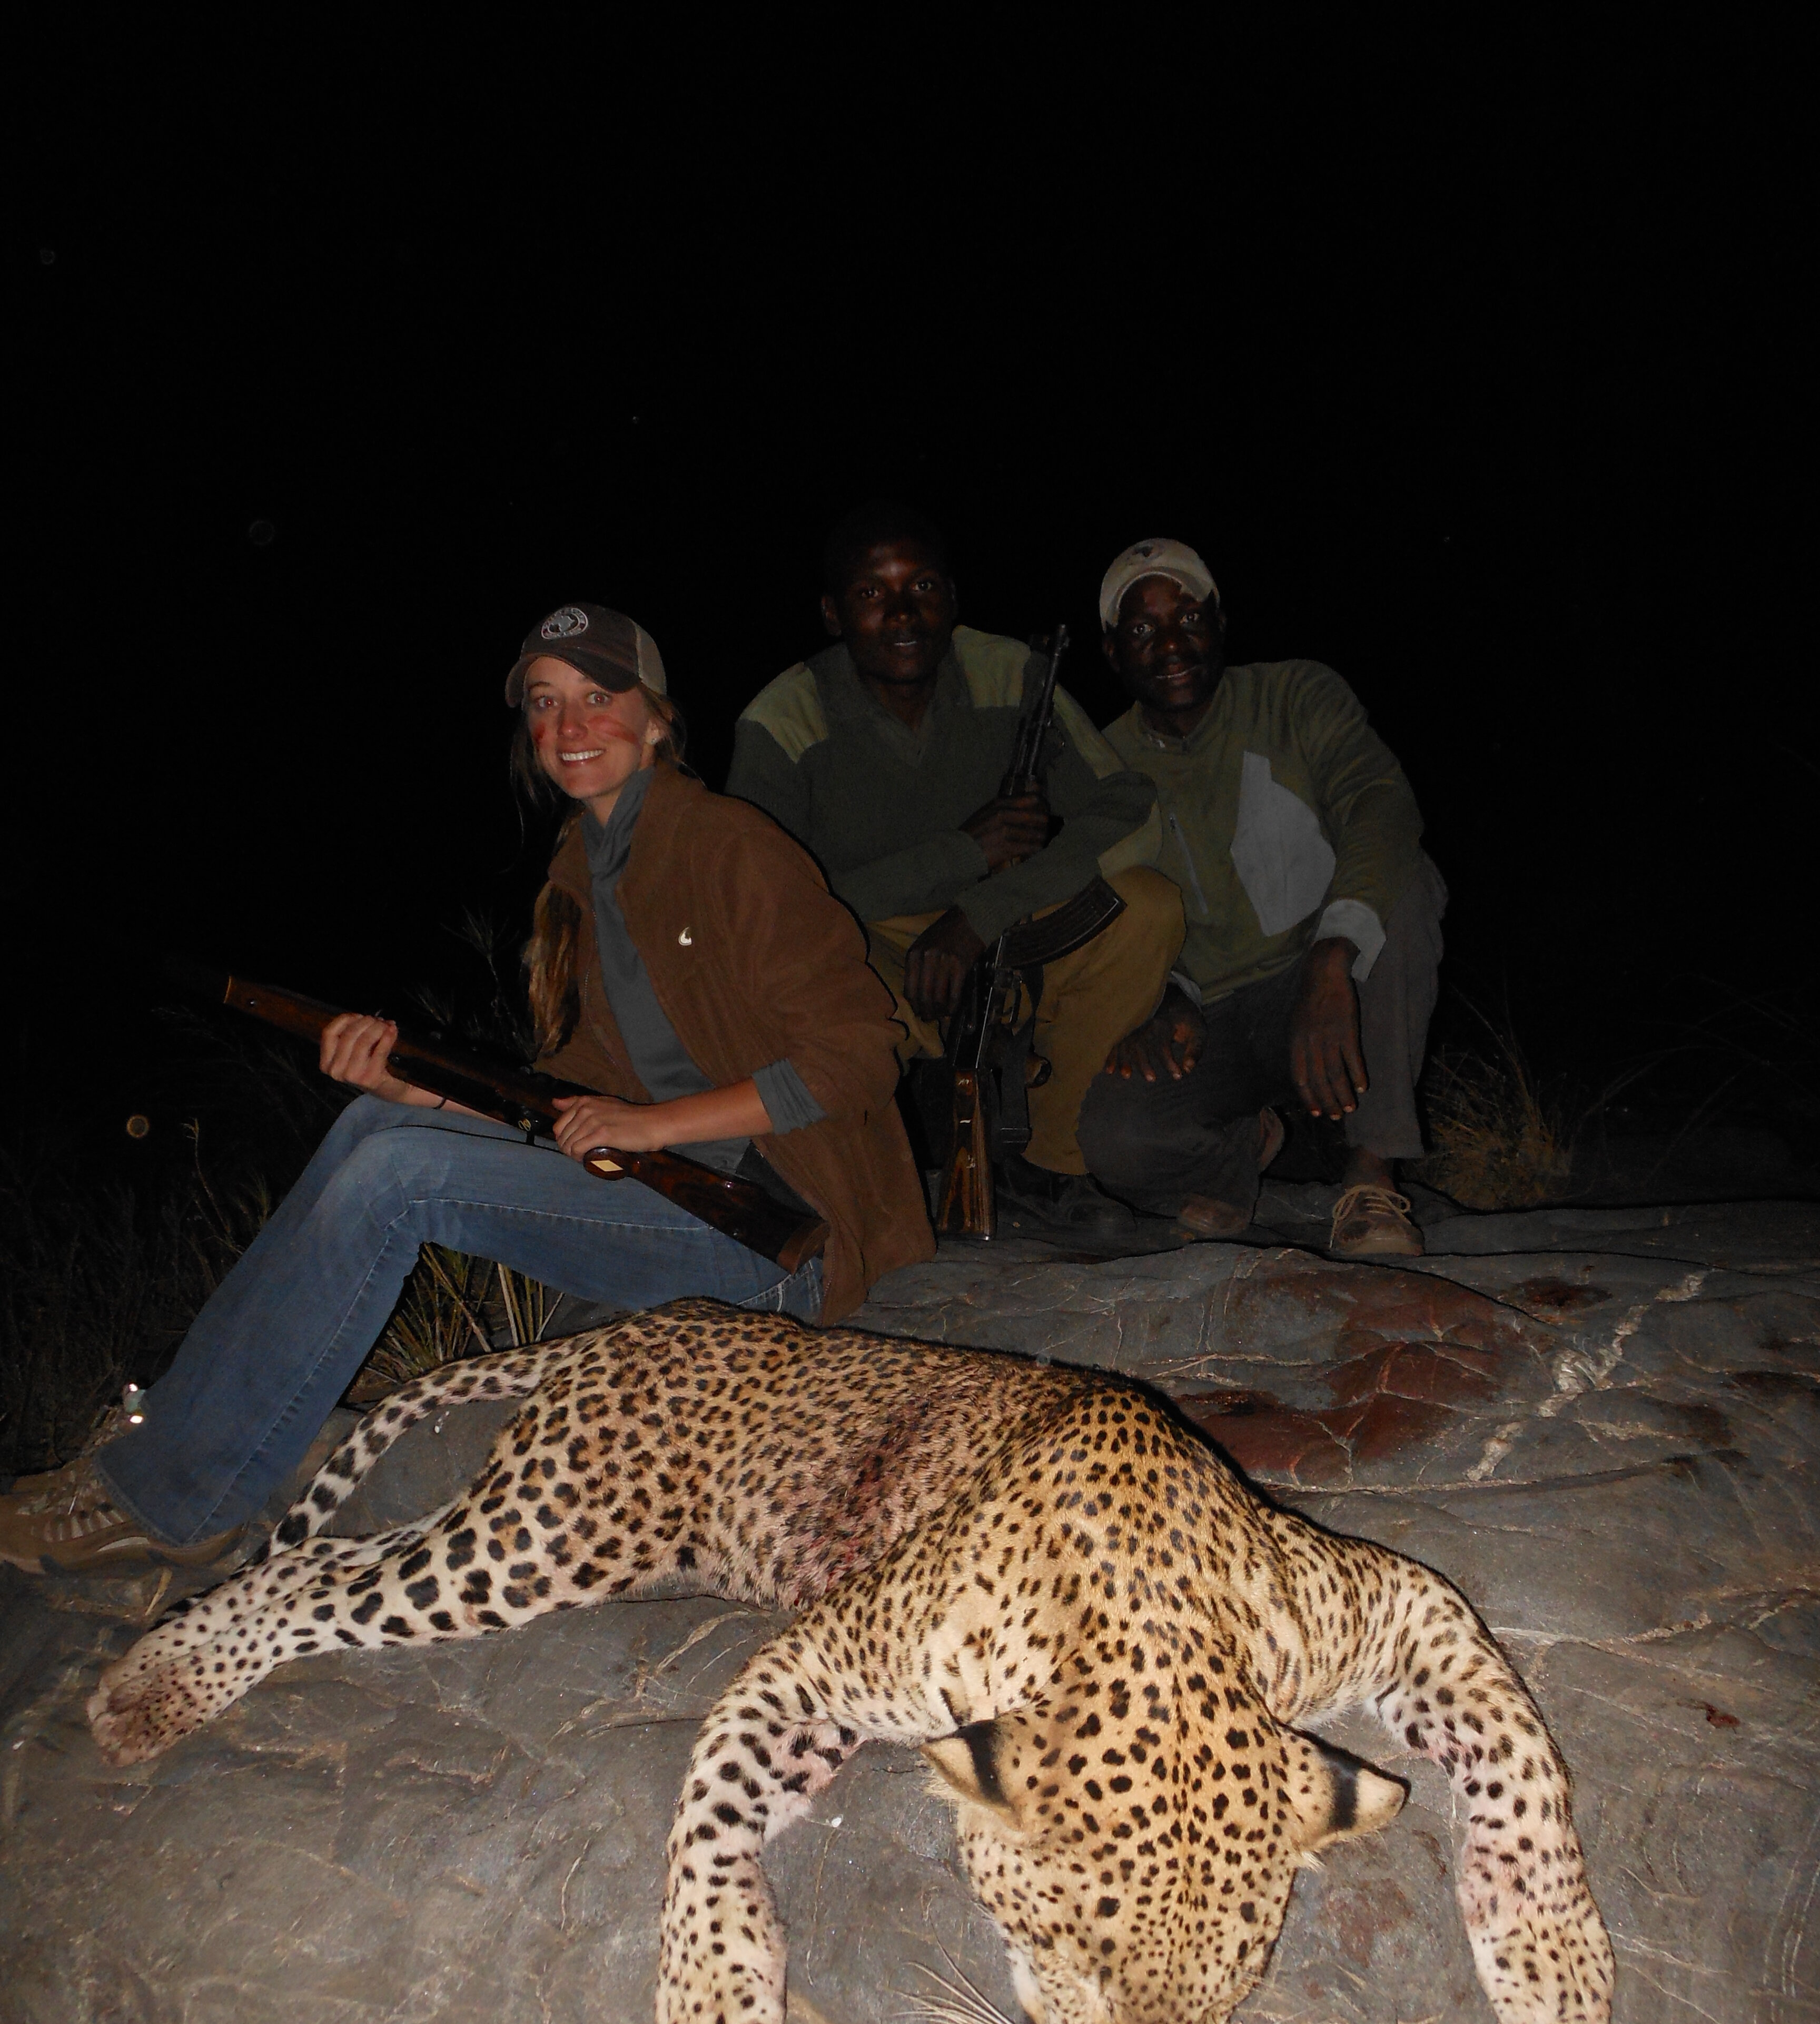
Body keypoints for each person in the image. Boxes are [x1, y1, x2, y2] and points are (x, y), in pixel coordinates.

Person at [1, 602, 931, 1578]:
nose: (570, 729)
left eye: (598, 699)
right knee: (376, 1124)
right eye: (545, 704)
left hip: (779, 1234)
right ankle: (165, 1444)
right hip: (670, 1184)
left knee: (397, 1179)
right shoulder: (581, 875)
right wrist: (426, 1093)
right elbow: (578, 1094)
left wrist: (648, 1123)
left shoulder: (731, 845)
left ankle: (179, 1499)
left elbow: (860, 1054)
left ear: (657, 719)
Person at [725, 503, 1183, 1237]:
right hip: (866, 943)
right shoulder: (786, 719)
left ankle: (1052, 1167)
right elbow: (756, 907)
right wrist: (961, 855)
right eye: (873, 595)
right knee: (805, 993)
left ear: (953, 600)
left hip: (1000, 928)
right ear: (834, 614)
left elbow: (1129, 811)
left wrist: (981, 913)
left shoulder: (1014, 674)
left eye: (924, 587)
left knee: (1147, 905)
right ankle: (845, 1186)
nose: (904, 614)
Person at [1079, 539, 1446, 1257]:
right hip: (1210, 1015)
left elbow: (1380, 802)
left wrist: (1332, 956)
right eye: (1143, 630)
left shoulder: (1296, 693)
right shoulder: (1099, 763)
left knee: (1406, 884)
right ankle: (1236, 1156)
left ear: (1219, 621)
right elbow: (1114, 906)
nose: (1172, 644)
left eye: (1188, 618)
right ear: (1113, 651)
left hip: (1325, 990)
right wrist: (1166, 1000)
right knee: (1116, 1139)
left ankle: (1371, 1176)